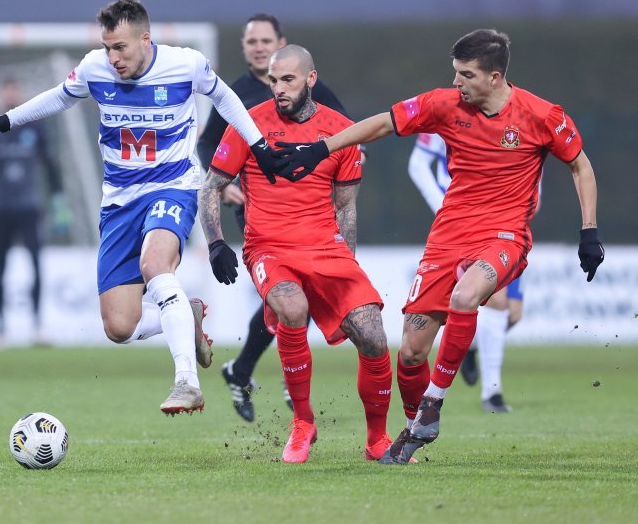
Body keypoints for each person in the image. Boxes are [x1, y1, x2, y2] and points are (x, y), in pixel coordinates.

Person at [273, 29, 604, 463]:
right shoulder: (444, 105)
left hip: (504, 234)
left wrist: (589, 231)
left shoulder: (542, 115)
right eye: (455, 73)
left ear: (496, 76)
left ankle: (433, 404)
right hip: (448, 234)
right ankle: (415, 426)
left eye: (466, 75)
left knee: (467, 295)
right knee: (410, 352)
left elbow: (580, 166)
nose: (457, 83)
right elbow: (383, 123)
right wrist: (321, 149)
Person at [0, 0, 280, 415]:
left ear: (146, 39)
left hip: (173, 186)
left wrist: (258, 143)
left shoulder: (186, 64)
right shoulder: (94, 68)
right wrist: (4, 122)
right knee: (119, 326)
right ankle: (188, 313)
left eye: (121, 48)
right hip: (119, 201)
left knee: (155, 264)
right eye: (108, 47)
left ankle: (187, 381)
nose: (113, 58)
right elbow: (58, 97)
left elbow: (225, 98)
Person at [199, 44, 396, 464]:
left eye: (287, 79)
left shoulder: (341, 131)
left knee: (375, 336)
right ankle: (303, 424)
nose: (278, 89)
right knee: (292, 308)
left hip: (326, 248)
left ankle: (377, 440)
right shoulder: (248, 125)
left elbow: (346, 206)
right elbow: (211, 185)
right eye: (272, 81)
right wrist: (216, 241)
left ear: (310, 79)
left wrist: (349, 263)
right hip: (269, 246)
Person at [197, 13, 353, 422]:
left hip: (308, 214)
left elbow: (348, 137)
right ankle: (286, 373)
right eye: (251, 42)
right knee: (286, 295)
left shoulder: (311, 91)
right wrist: (223, 183)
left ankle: (245, 369)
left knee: (290, 297)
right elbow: (208, 146)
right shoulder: (236, 95)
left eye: (266, 40)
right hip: (257, 209)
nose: (259, 47)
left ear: (280, 43)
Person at [409, 132, 537, 412]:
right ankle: (492, 393)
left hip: (508, 226)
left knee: (513, 314)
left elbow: (535, 176)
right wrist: (442, 207)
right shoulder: (445, 114)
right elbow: (417, 164)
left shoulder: (524, 122)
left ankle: (469, 346)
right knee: (497, 302)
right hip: (465, 226)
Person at [0, 77, 71, 347]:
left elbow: (50, 164)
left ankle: (37, 327)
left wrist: (58, 199)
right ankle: (0, 329)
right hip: (0, 209)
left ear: (19, 93)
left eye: (14, 90)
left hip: (29, 208)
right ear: (1, 94)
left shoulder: (34, 124)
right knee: (0, 268)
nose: (10, 95)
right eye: (6, 90)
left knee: (35, 265)